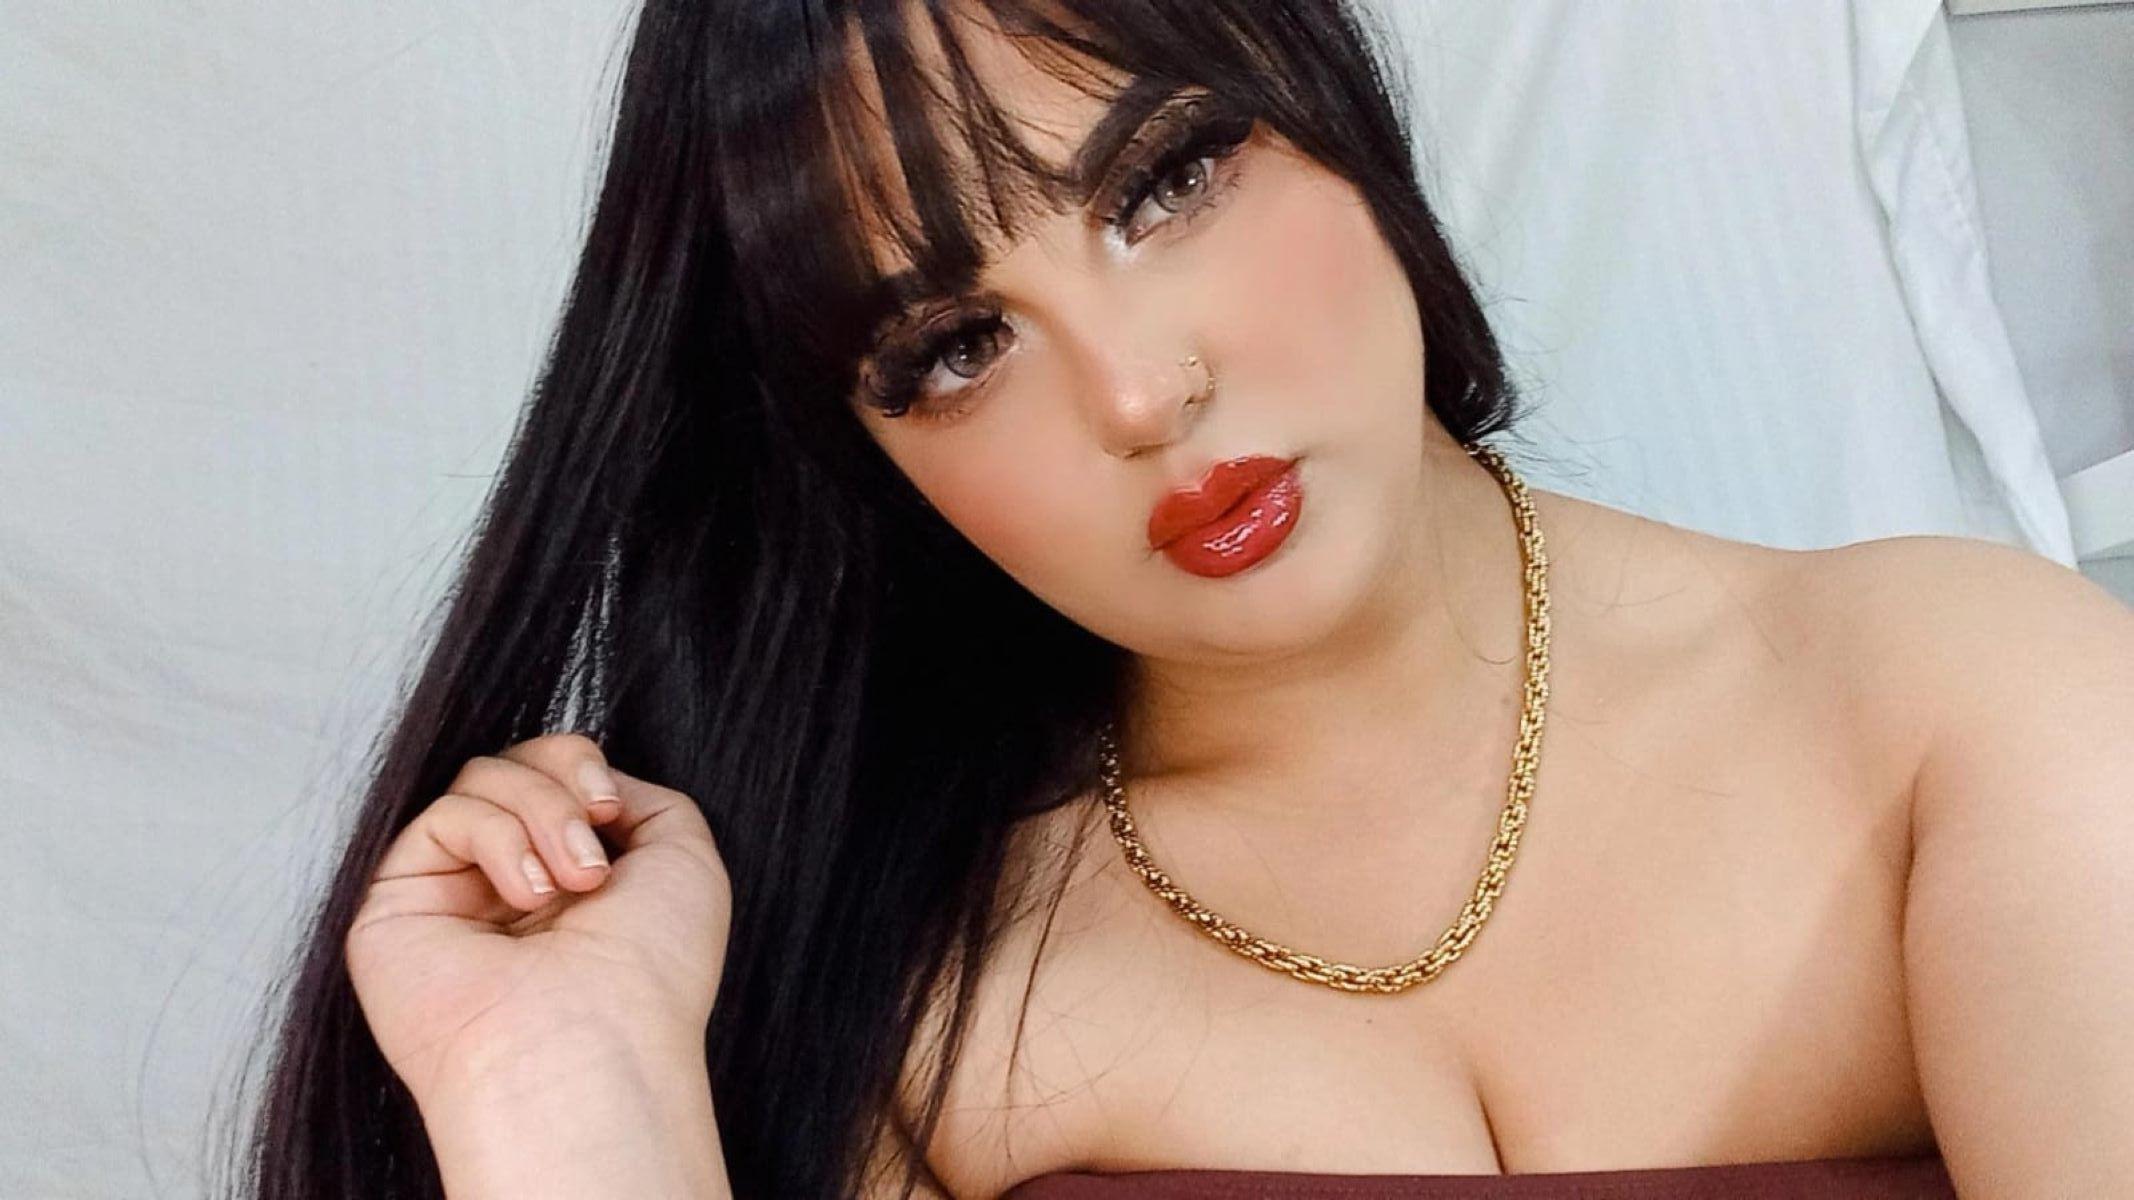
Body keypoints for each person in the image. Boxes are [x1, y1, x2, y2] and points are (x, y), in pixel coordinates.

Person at [229, 1, 2134, 1197]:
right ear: (872, 464)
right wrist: (569, 1107)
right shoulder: (910, 1008)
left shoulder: (1950, 707)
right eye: (956, 344)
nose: (1140, 397)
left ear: (1328, 99)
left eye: (1164, 181)